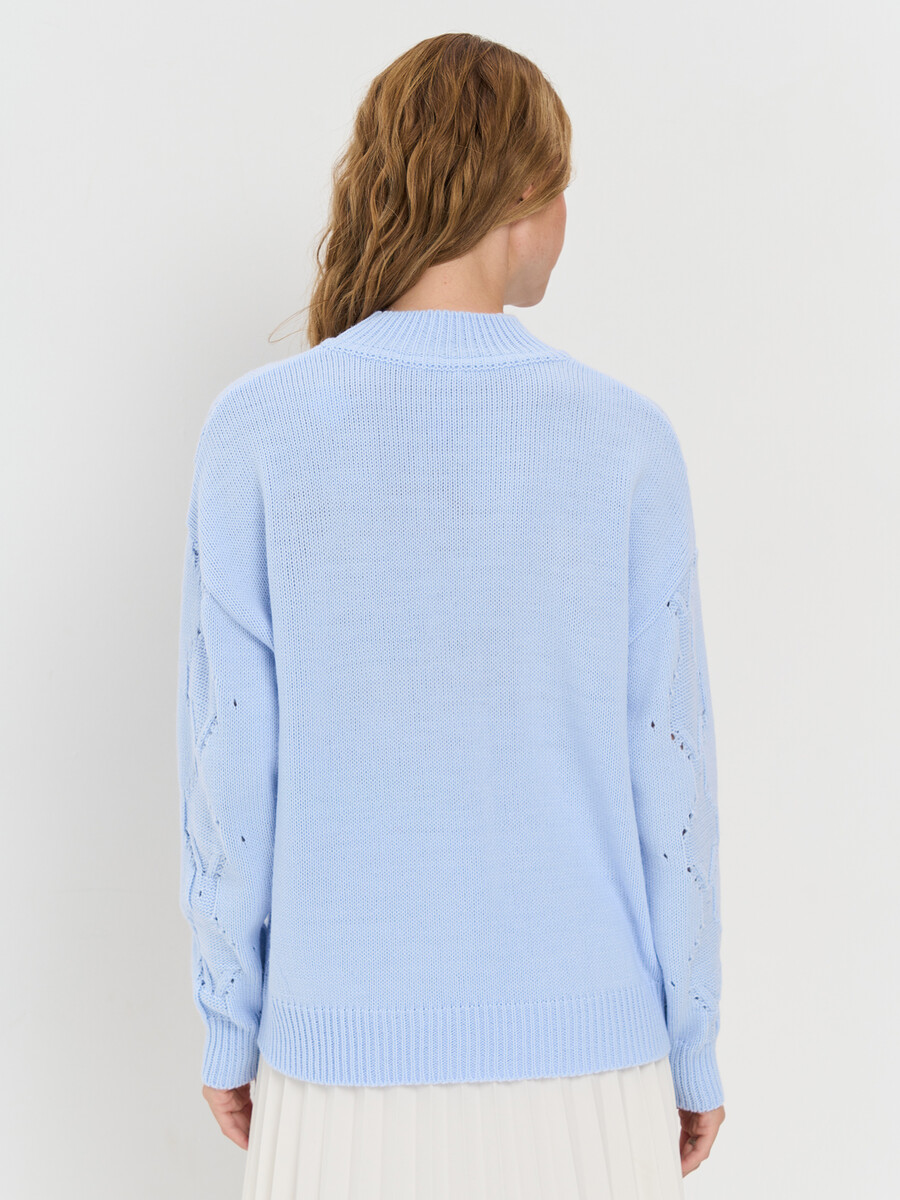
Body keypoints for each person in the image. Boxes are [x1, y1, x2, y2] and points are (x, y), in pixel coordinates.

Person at [176, 31, 726, 1199]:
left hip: (337, 1087)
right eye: (561, 187)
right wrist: (693, 1043)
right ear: (520, 197)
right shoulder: (628, 441)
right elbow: (671, 780)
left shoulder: (258, 431)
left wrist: (230, 1023)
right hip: (593, 1082)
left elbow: (230, 774)